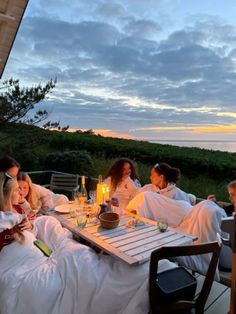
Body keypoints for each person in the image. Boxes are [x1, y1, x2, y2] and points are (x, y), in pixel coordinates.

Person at [0, 171, 175, 314]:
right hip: (29, 261)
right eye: (16, 190)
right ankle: (132, 283)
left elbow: (30, 229)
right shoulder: (7, 216)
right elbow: (6, 223)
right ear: (6, 195)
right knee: (91, 277)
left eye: (21, 189)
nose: (21, 193)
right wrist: (17, 219)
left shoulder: (16, 207)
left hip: (46, 252)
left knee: (84, 257)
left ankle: (151, 272)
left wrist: (29, 224)